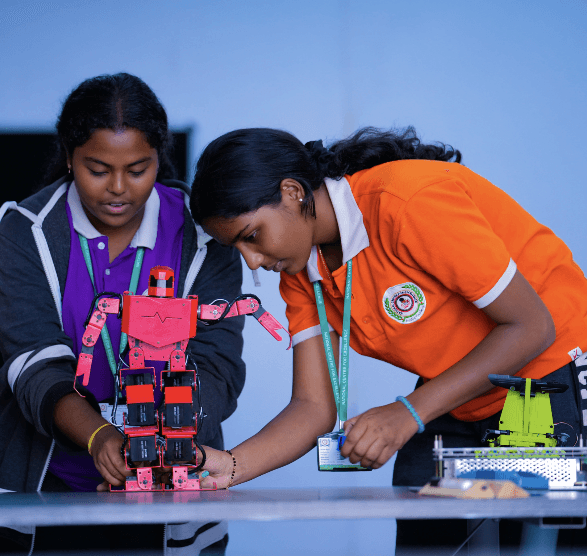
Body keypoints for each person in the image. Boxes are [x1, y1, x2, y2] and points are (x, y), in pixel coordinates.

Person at [189, 127, 587, 554]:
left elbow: (531, 327)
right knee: (425, 525)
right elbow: (313, 406)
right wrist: (230, 467)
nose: (252, 261)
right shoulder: (302, 274)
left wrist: (407, 414)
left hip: (549, 378)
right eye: (238, 248)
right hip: (462, 395)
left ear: (292, 193)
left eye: (252, 236)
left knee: (535, 540)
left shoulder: (408, 202)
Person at [0, 73, 242, 554]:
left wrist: (165, 447)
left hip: (172, 482)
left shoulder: (205, 233)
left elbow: (218, 361)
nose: (118, 189)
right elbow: (32, 361)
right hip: (47, 483)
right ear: (69, 157)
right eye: (97, 169)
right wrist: (99, 435)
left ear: (160, 156)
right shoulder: (25, 231)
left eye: (138, 169)